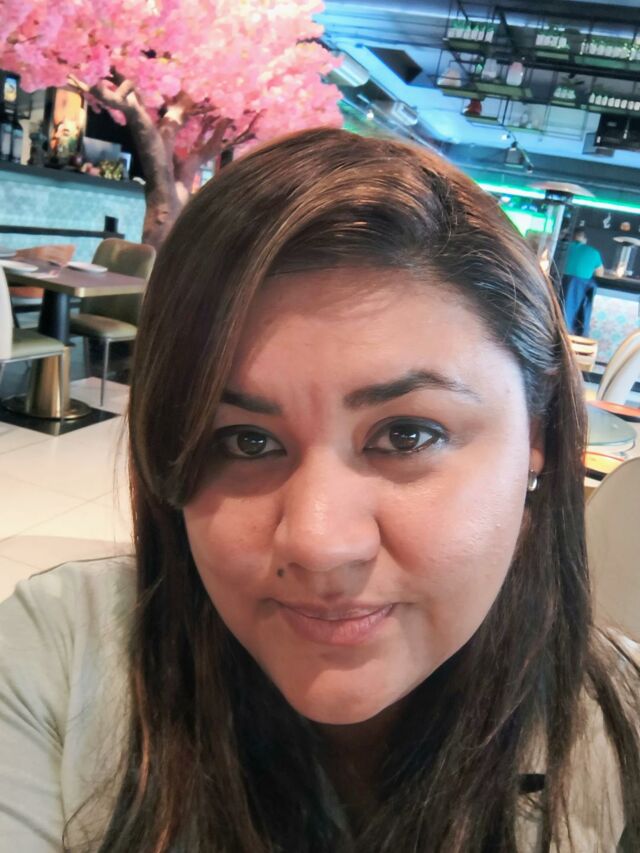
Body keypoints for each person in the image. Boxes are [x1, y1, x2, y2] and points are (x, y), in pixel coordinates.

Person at [0, 128, 638, 852]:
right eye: (246, 442)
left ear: (538, 434)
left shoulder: (621, 729)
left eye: (408, 434)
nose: (317, 541)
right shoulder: (59, 659)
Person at [560, 227, 604, 336]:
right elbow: (600, 275)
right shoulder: (594, 253)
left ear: (571, 237)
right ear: (584, 239)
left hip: (558, 290)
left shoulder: (561, 248)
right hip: (578, 296)